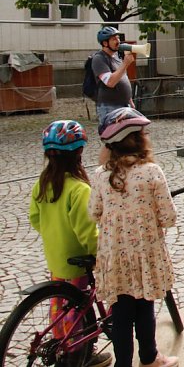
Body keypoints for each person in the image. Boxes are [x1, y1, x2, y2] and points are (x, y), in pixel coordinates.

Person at [87, 108, 177, 367]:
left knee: (122, 311)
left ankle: (123, 362)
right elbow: (168, 217)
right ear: (140, 139)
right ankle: (149, 356)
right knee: (144, 306)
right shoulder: (152, 172)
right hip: (144, 254)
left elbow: (94, 212)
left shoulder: (100, 175)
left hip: (114, 256)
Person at [30, 120, 111, 367]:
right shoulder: (78, 189)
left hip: (55, 256)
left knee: (60, 302)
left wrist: (53, 232)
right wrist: (101, 253)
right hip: (77, 259)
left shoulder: (42, 184)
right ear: (79, 153)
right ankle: (79, 352)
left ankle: (59, 338)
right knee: (78, 307)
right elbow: (87, 232)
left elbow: (34, 218)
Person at [92, 26, 134, 124]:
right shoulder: (99, 59)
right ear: (105, 43)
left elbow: (123, 77)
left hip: (124, 105)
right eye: (114, 39)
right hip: (109, 107)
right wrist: (125, 64)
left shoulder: (117, 58)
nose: (118, 41)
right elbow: (110, 82)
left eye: (118, 38)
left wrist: (129, 99)